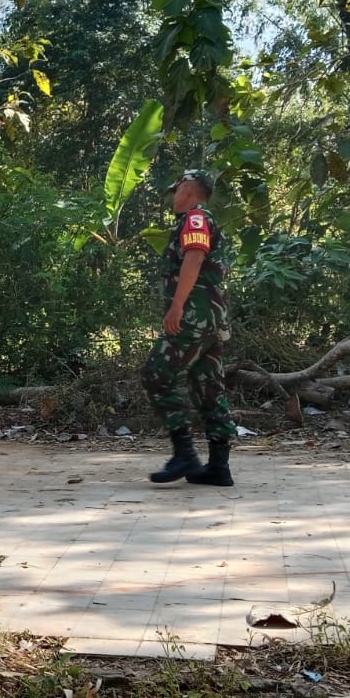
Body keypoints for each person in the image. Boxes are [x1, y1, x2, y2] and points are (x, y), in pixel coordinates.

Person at [141, 169, 236, 487]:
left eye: (177, 188)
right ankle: (219, 467)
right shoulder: (198, 220)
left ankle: (185, 454)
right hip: (211, 320)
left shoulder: (195, 219)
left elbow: (194, 258)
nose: (173, 196)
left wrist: (178, 306)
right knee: (207, 387)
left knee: (156, 373)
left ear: (190, 191)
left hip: (194, 317)